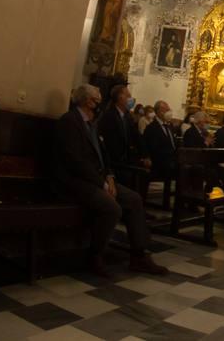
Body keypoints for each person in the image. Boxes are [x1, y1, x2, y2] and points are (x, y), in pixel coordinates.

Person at [53, 85, 167, 277]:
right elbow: (75, 161)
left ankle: (139, 255)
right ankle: (94, 256)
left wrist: (110, 176)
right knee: (112, 207)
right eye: (96, 100)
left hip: (98, 179)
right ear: (87, 101)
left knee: (134, 199)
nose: (99, 103)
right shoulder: (69, 122)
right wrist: (102, 184)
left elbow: (103, 156)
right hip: (76, 181)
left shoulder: (92, 123)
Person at [98, 82, 150, 190]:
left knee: (145, 172)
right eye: (128, 96)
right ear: (120, 97)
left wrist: (145, 155)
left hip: (125, 159)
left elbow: (137, 137)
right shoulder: (110, 116)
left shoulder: (127, 116)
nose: (131, 99)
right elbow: (111, 144)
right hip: (114, 162)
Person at [141, 100, 179, 186]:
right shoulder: (151, 128)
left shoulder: (169, 126)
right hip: (160, 162)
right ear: (159, 111)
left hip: (172, 160)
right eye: (167, 110)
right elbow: (153, 149)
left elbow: (173, 144)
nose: (169, 112)